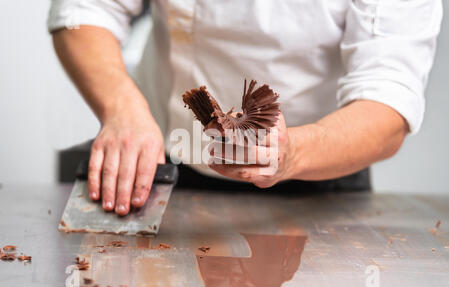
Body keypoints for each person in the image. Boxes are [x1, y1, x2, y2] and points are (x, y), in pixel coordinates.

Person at [48, 0, 443, 215]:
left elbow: (388, 97)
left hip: (321, 185)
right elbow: (86, 11)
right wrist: (122, 106)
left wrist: (291, 153)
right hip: (162, 166)